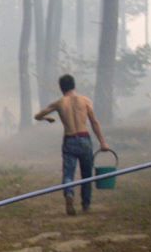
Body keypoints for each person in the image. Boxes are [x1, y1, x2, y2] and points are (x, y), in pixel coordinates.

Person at [34, 74, 110, 215]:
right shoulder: (85, 100)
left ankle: (69, 194)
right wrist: (103, 142)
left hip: (69, 139)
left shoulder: (59, 103)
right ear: (74, 85)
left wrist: (47, 118)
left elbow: (37, 116)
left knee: (68, 173)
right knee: (87, 174)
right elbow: (94, 122)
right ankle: (86, 204)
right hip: (84, 138)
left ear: (61, 88)